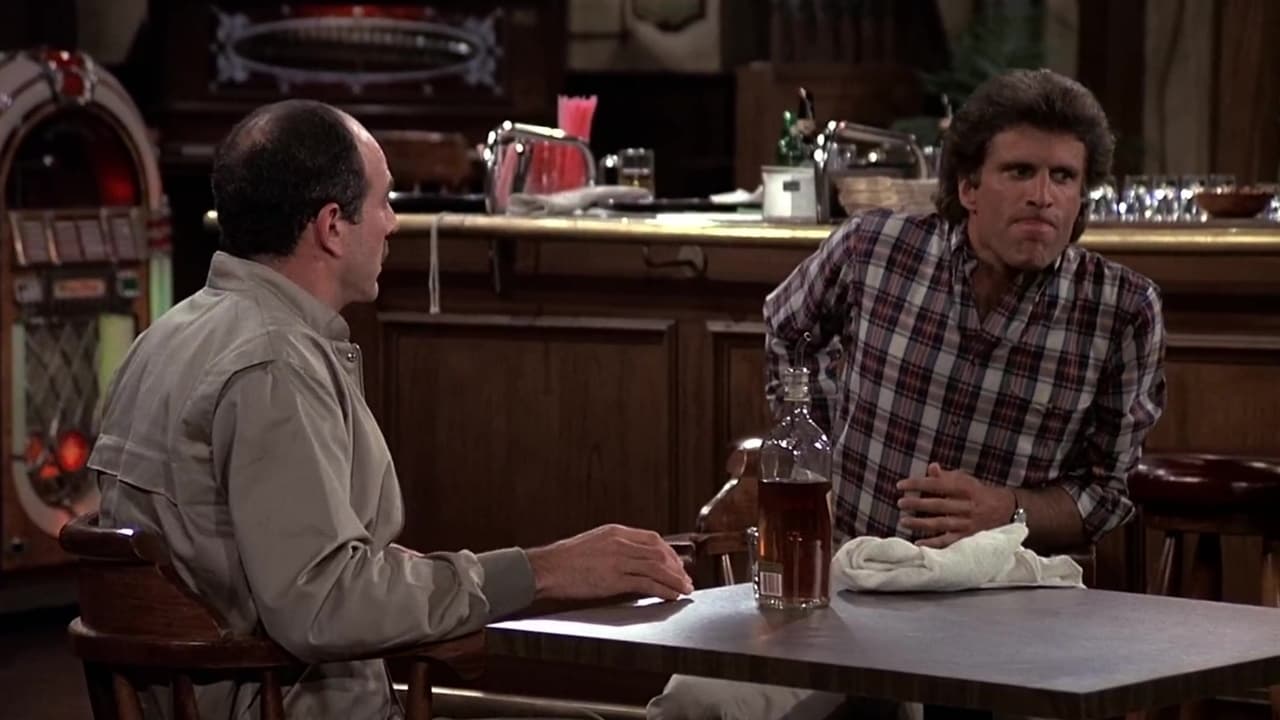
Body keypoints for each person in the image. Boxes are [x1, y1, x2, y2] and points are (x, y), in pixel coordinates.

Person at [89, 99, 693, 720]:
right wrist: (543, 572)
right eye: (383, 201)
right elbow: (324, 602)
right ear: (332, 226)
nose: (393, 224)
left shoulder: (164, 336)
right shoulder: (275, 364)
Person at [648, 68, 1166, 720]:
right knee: (695, 703)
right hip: (851, 580)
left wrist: (1005, 508)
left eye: (1063, 177)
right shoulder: (876, 249)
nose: (1043, 196)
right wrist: (815, 452)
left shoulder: (1121, 309)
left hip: (1003, 600)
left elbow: (1108, 493)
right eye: (1020, 172)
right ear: (968, 187)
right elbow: (789, 328)